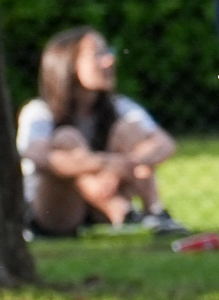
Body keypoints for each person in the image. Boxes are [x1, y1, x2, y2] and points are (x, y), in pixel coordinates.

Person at [20, 26, 186, 237]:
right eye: (97, 55)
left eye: (108, 52)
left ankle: (154, 212)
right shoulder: (39, 111)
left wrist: (127, 163)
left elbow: (165, 144)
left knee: (131, 130)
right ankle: (123, 212)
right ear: (68, 65)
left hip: (102, 201)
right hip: (58, 211)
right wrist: (102, 163)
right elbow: (37, 156)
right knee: (66, 138)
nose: (109, 60)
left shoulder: (119, 106)